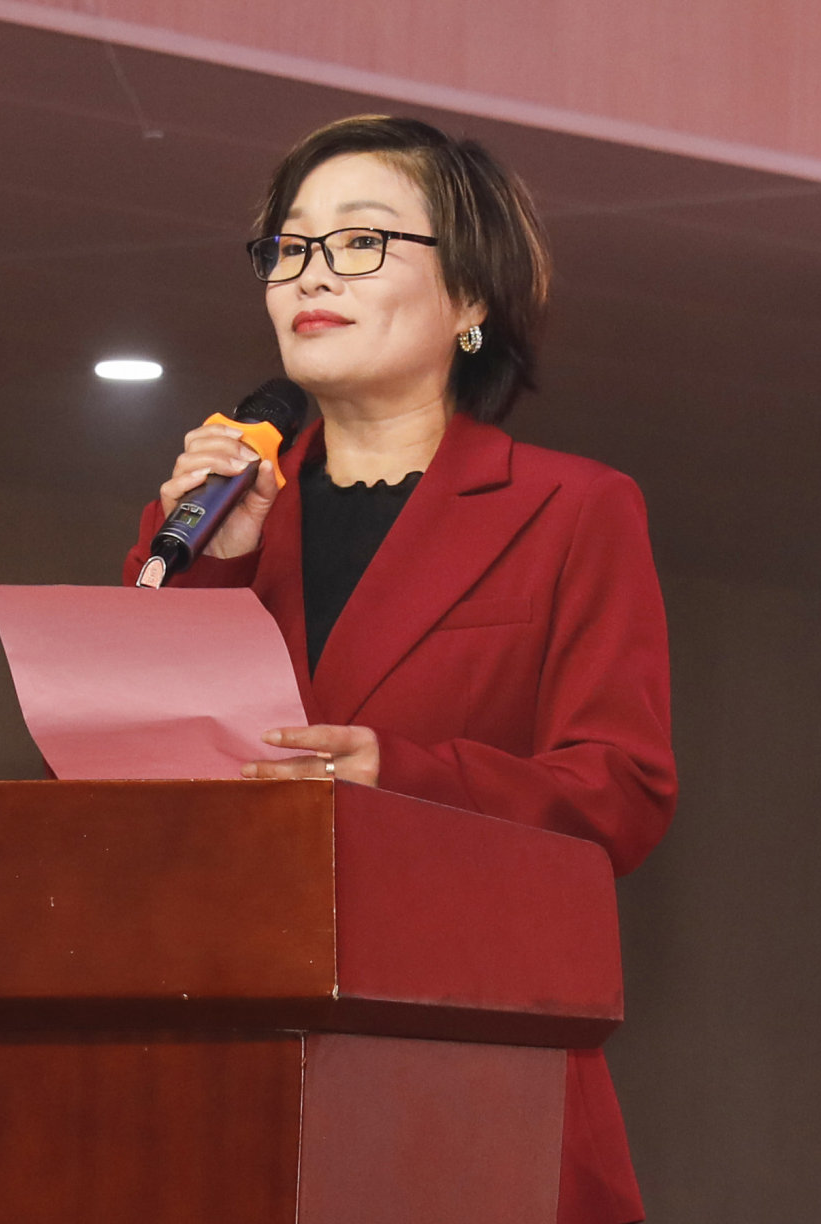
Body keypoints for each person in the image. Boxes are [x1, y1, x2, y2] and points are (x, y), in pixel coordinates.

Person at [121, 115, 677, 1224]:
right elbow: (135, 785)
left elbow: (621, 789)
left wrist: (400, 776)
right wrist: (218, 565)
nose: (312, 273)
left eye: (361, 241)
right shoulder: (202, 520)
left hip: (468, 1064)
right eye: (290, 246)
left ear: (470, 299)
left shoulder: (572, 507)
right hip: (227, 1059)